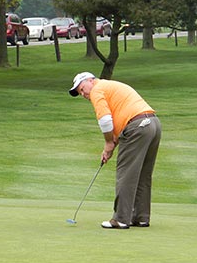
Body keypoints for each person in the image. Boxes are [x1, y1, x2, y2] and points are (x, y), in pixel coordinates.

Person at [69, 72, 162, 228]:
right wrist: (111, 146)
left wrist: (108, 143)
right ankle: (141, 217)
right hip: (153, 124)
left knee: (125, 173)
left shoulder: (97, 90)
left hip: (137, 126)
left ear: (91, 81)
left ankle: (121, 219)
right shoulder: (109, 87)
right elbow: (121, 122)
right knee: (143, 174)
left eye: (82, 88)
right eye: (80, 93)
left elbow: (105, 120)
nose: (83, 94)